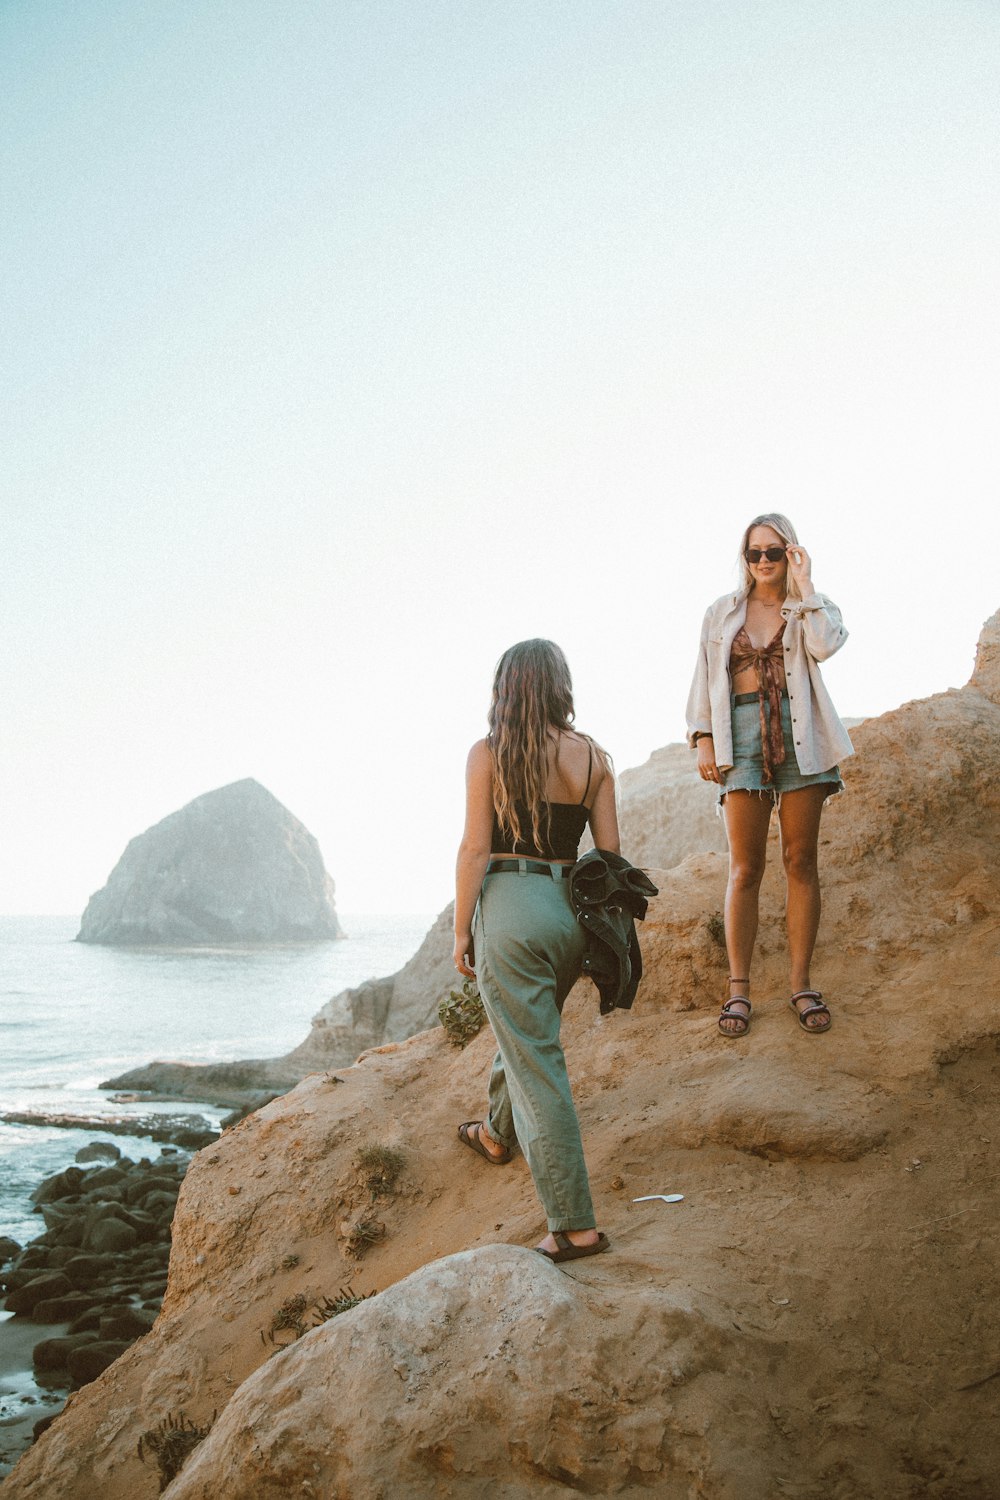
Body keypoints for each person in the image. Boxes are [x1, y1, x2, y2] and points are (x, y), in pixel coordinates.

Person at [453, 638, 620, 1262]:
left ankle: (574, 1226)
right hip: (570, 915)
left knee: (538, 1063)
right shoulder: (594, 759)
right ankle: (498, 1133)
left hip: (512, 906)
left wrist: (462, 927)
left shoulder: (490, 753)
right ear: (559, 686)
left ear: (508, 687)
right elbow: (608, 861)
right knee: (524, 1029)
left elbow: (474, 849)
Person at [685, 514, 853, 1038]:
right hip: (741, 736)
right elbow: (702, 677)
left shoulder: (809, 605)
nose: (762, 562)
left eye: (773, 553)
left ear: (791, 554)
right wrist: (703, 736)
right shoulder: (721, 613)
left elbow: (826, 646)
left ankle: (801, 983)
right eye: (753, 553)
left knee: (800, 860)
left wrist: (806, 587)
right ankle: (739, 988)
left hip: (802, 734)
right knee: (745, 868)